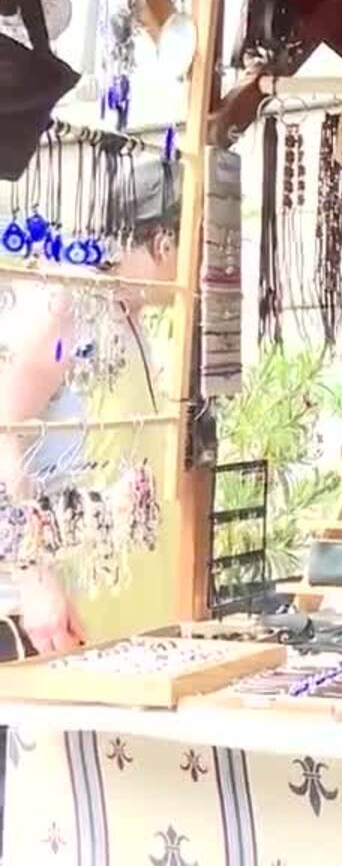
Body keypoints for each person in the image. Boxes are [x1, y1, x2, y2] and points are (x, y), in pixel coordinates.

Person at [0, 153, 180, 658]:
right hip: (67, 607)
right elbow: (3, 431)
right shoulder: (67, 305)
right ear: (164, 242)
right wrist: (36, 579)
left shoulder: (130, 318)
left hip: (131, 596)